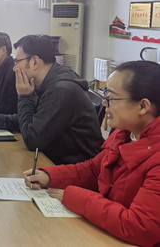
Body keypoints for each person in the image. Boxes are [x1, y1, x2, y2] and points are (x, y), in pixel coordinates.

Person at [23, 61, 160, 247]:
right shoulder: (125, 134)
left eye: (111, 98)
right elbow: (94, 170)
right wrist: (49, 176)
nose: (104, 103)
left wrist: (73, 196)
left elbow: (140, 227)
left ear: (143, 106)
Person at [0, 34, 103, 164]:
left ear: (35, 62)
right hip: (55, 159)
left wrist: (24, 97)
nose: (14, 68)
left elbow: (32, 140)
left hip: (74, 167)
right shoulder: (45, 82)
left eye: (17, 62)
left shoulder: (61, 89)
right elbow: (32, 121)